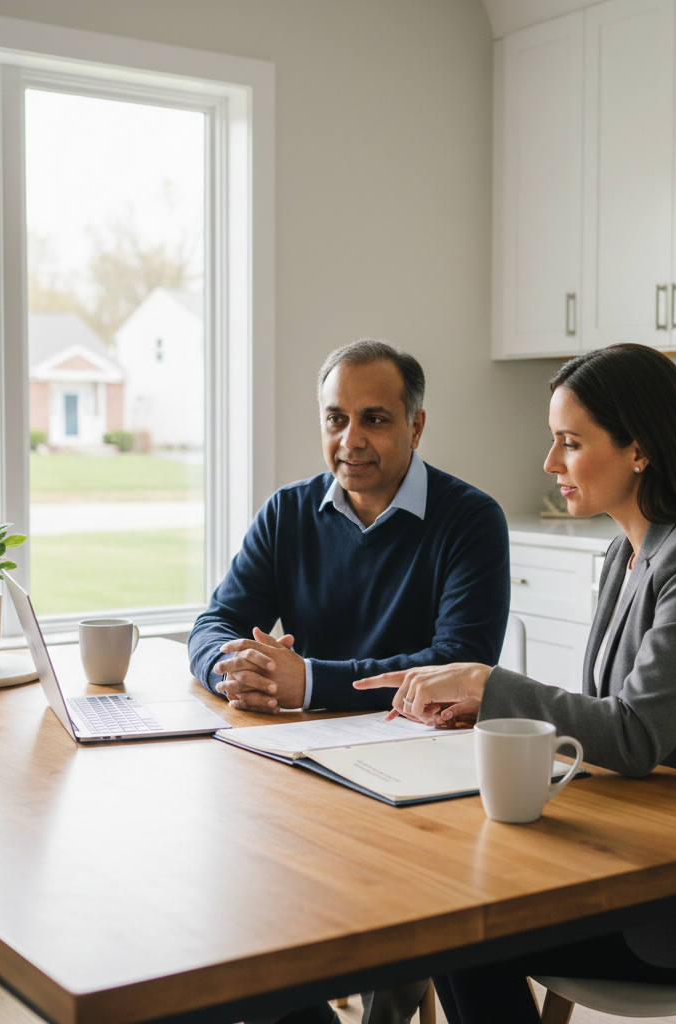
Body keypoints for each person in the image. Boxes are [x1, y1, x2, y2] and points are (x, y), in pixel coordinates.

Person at [355, 343, 676, 1024]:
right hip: (655, 848)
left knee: (463, 932)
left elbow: (633, 737)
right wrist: (487, 711)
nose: (550, 464)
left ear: (640, 449)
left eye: (570, 443)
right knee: (451, 911)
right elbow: (604, 715)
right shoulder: (625, 551)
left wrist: (490, 682)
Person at [188, 338, 511, 1024]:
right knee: (225, 914)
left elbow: (458, 661)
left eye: (375, 419)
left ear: (416, 425)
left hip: (423, 785)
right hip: (303, 775)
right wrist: (235, 668)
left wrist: (306, 682)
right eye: (335, 419)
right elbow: (216, 621)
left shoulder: (470, 520)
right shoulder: (287, 512)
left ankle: (387, 988)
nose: (351, 440)